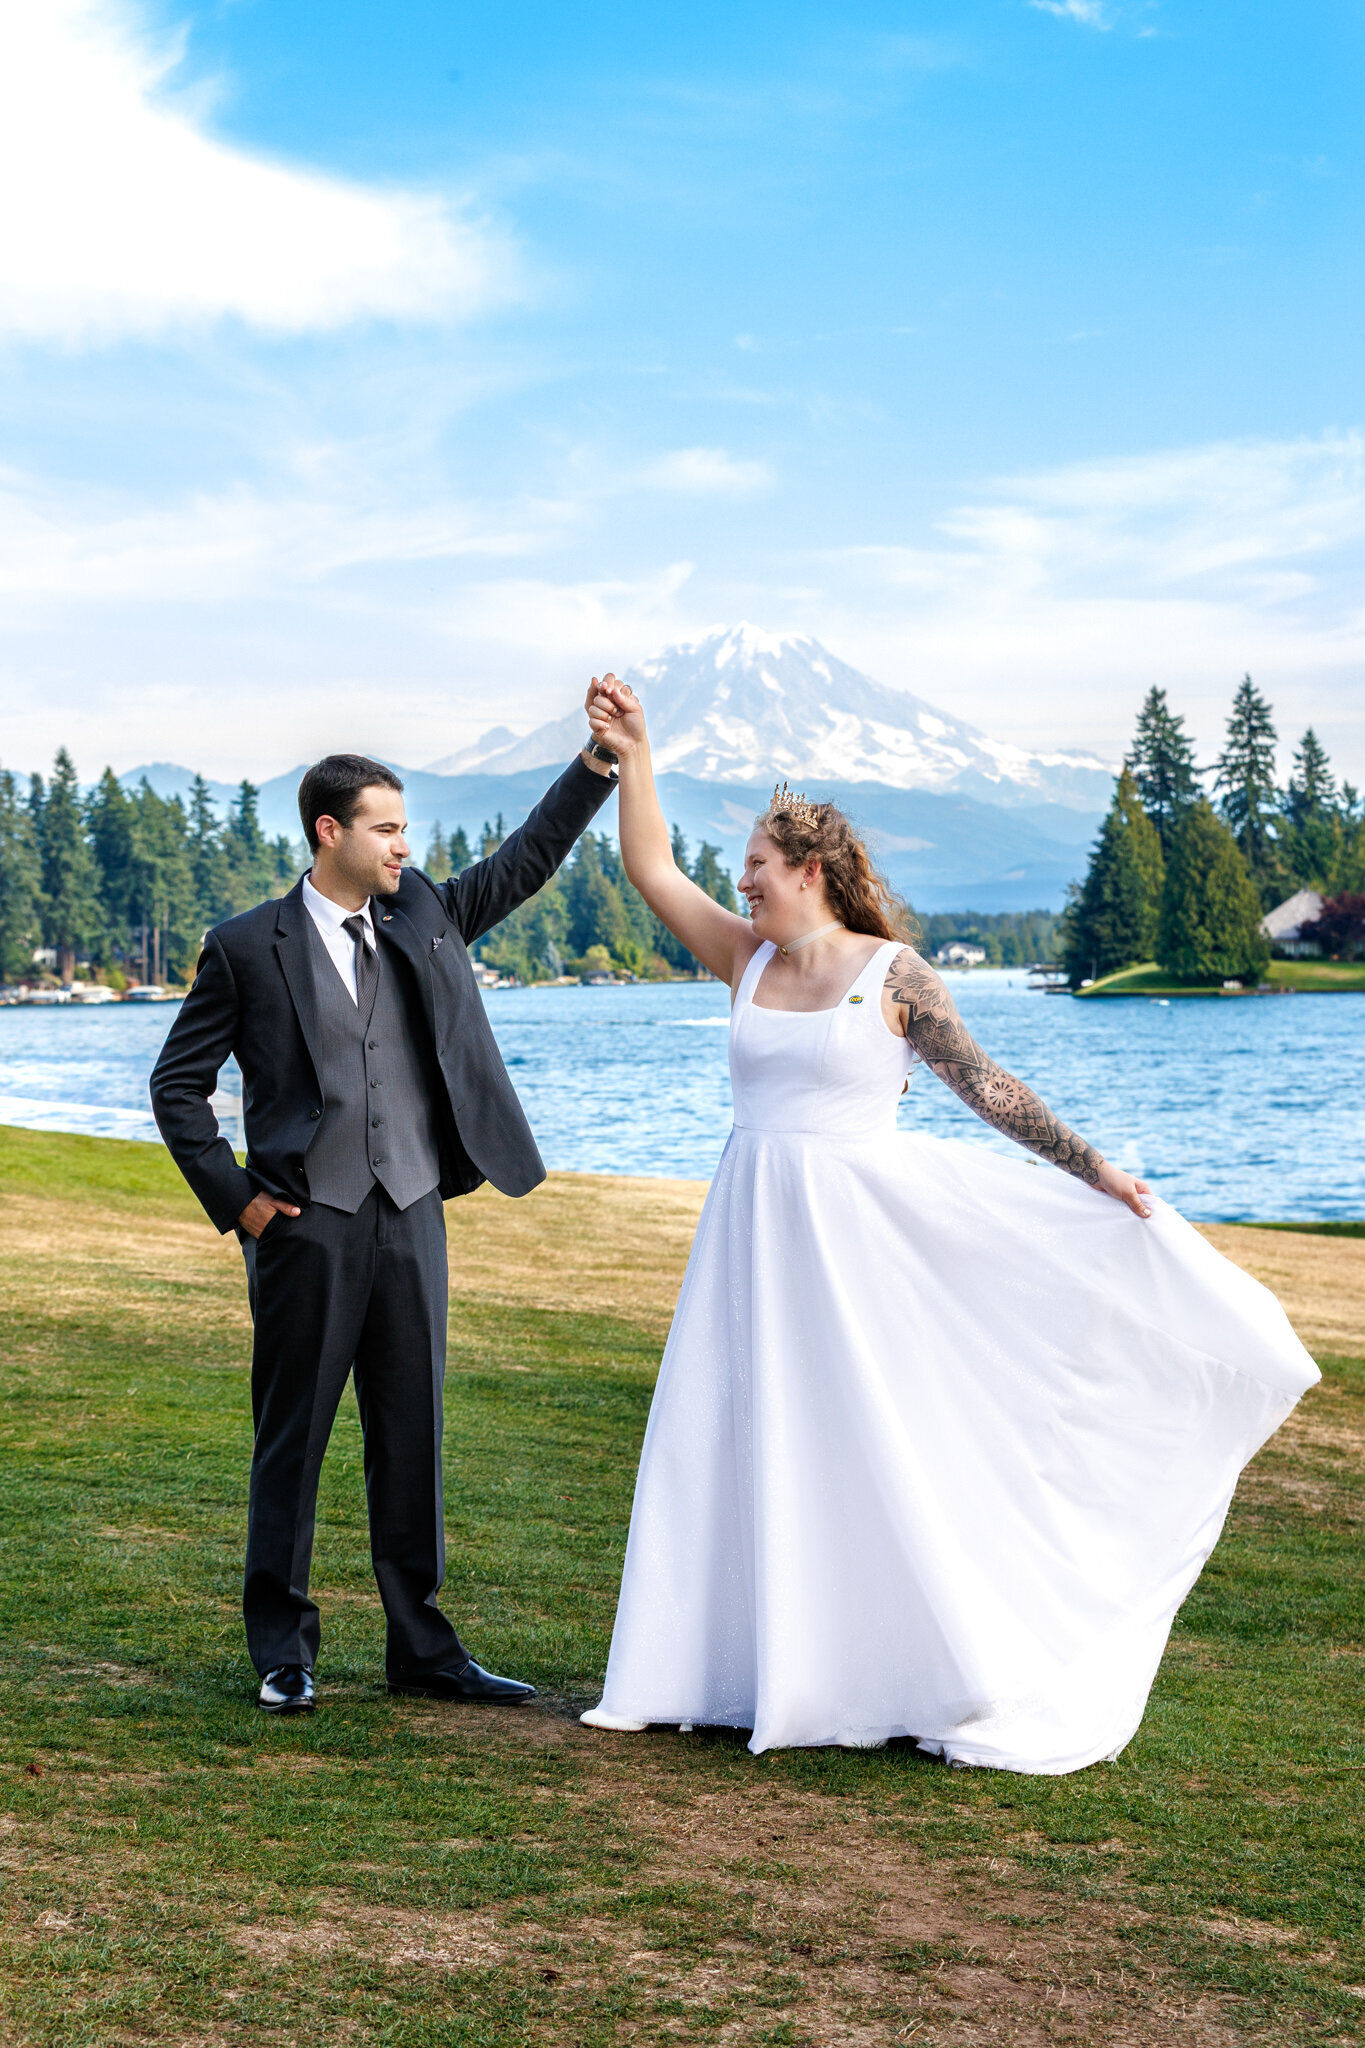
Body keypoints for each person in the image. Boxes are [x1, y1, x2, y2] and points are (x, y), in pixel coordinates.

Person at [577, 676, 1319, 1773]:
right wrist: (637, 751)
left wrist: (1100, 1171)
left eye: (760, 874)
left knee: (865, 1443)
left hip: (858, 1243)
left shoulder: (895, 976)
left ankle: (884, 1668)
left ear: (811, 874)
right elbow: (650, 868)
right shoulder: (748, 958)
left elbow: (993, 1090)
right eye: (741, 877)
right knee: (727, 1431)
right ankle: (693, 1671)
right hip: (749, 1234)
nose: (744, 889)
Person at [150, 696, 621, 1714]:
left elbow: (525, 861)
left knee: (412, 1436)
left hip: (411, 1211)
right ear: (331, 831)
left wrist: (596, 764)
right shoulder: (245, 946)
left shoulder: (424, 912)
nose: (405, 844)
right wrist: (241, 1201)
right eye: (387, 827)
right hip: (304, 1226)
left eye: (404, 828)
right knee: (296, 1439)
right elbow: (176, 1086)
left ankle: (425, 1648)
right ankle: (282, 1646)